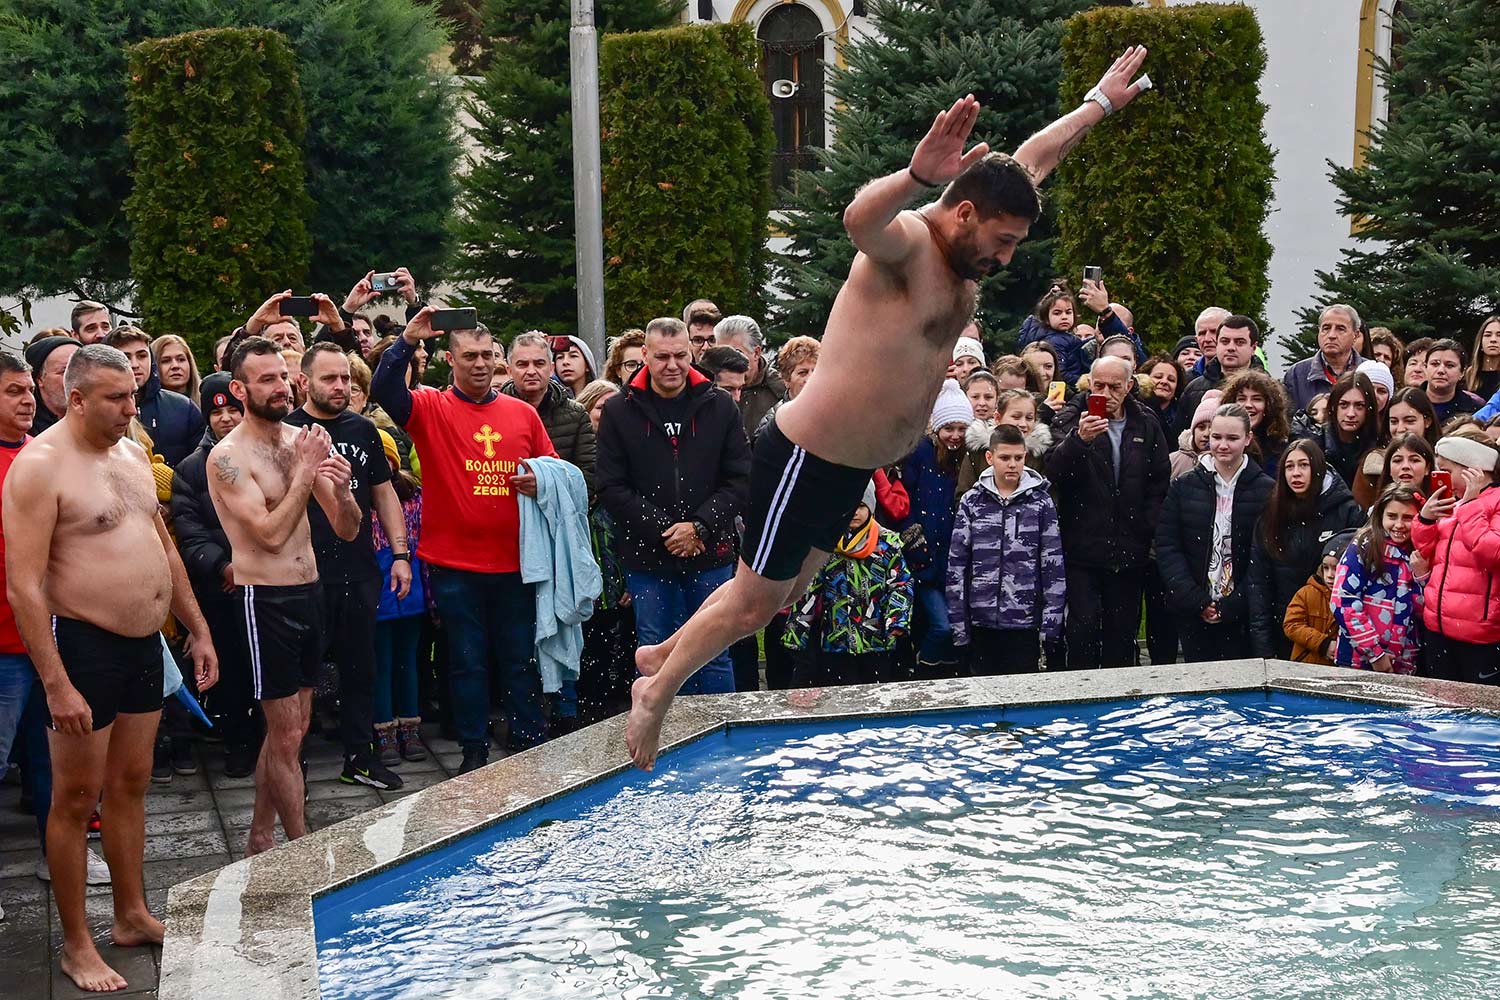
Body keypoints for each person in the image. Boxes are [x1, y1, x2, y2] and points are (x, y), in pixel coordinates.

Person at [625, 51, 1153, 768]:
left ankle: (666, 649)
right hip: (806, 457)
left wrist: (1099, 102)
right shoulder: (907, 247)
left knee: (785, 591)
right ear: (963, 212)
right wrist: (914, 177)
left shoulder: (971, 232)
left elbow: (1035, 156)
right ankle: (656, 691)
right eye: (1001, 242)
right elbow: (859, 218)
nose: (1004, 259)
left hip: (851, 468)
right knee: (754, 603)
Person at [4, 345, 218, 992]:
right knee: (75, 798)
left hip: (143, 644)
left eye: (132, 395)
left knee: (131, 783)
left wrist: (198, 628)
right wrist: (55, 682)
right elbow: (24, 587)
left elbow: (162, 547)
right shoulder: (40, 467)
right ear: (76, 400)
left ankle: (131, 915)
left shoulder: (129, 453)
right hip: (83, 647)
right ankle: (76, 944)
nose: (132, 407)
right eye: (116, 398)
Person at [371, 314, 558, 772]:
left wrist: (543, 481)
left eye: (487, 356)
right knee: (467, 662)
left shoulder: (523, 413)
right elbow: (384, 391)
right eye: (469, 356)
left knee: (519, 660)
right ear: (451, 360)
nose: (479, 364)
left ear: (497, 360)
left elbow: (555, 469)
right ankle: (473, 750)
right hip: (454, 566)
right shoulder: (431, 408)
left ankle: (529, 740)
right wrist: (407, 341)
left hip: (515, 563)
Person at [208, 337, 361, 851]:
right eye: (266, 379)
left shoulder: (301, 440)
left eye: (282, 376)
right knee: (287, 733)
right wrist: (305, 472)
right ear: (239, 389)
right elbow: (270, 536)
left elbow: (346, 529)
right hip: (264, 600)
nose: (280, 387)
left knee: (294, 729)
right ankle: (301, 848)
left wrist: (343, 491)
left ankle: (260, 834)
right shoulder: (228, 458)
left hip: (309, 592)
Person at [595, 318, 751, 696]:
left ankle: (718, 729)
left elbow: (741, 479)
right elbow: (611, 486)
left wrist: (699, 527)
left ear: (691, 354)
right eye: (662, 357)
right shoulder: (619, 410)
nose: (672, 365)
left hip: (709, 551)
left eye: (680, 355)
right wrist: (666, 530)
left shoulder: (720, 407)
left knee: (714, 653)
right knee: (656, 653)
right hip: (648, 555)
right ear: (645, 355)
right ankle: (664, 729)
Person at [283, 342, 408, 791]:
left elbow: (383, 493)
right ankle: (291, 768)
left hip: (358, 569)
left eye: (346, 379)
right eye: (329, 378)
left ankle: (359, 758)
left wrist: (400, 554)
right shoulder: (286, 432)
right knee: (301, 678)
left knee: (361, 669)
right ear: (304, 382)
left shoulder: (363, 429)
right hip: (302, 573)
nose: (340, 386)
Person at [1046, 354, 1170, 669]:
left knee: (1122, 632)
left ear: (1129, 386)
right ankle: (1081, 689)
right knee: (1082, 628)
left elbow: (1159, 482)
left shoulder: (1146, 422)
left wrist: (1144, 527)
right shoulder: (1070, 419)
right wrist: (1080, 440)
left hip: (1129, 548)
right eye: (1099, 386)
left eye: (1114, 387)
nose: (1105, 394)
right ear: (1089, 383)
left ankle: (1119, 692)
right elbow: (1054, 473)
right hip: (1082, 547)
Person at [170, 373, 258, 777]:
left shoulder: (267, 454)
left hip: (267, 582)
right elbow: (190, 532)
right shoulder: (191, 469)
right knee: (233, 669)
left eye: (233, 410)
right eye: (216, 412)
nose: (225, 418)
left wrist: (253, 564)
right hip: (222, 588)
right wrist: (223, 565)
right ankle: (239, 742)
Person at [1154, 404, 1275, 663]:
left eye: (1232, 438)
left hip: (1243, 613)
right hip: (1192, 610)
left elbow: (1265, 556)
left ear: (1247, 439)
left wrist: (1234, 604)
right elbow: (1168, 545)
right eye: (1216, 437)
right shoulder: (1184, 485)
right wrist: (1195, 600)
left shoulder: (1266, 490)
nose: (1222, 445)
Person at [946, 423, 1064, 674]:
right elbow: (957, 565)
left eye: (1018, 458)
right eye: (1005, 458)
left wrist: (1050, 626)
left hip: (1024, 621)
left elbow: (1052, 566)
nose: (1012, 464)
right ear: (990, 458)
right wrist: (958, 626)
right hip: (980, 620)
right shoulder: (972, 501)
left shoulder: (1041, 502)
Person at [782, 481, 912, 687]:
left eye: (861, 506)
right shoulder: (826, 544)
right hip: (837, 640)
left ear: (870, 507)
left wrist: (897, 619)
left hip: (876, 640)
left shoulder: (887, 543)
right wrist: (796, 632)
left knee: (876, 695)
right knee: (841, 696)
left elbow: (901, 584)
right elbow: (809, 589)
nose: (854, 512)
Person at [1246, 440, 1365, 658]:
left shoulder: (1346, 511)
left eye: (1303, 465)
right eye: (1289, 467)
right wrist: (1263, 646)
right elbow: (1259, 583)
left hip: (1333, 631)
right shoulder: (1272, 515)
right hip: (1285, 627)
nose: (1296, 473)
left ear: (1318, 468)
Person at [1412, 433, 1500, 683]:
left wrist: (1471, 506)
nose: (1439, 477)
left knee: (1479, 706)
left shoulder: (1494, 501)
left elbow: (1492, 553)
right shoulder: (1454, 502)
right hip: (1437, 628)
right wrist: (1426, 519)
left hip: (1480, 635)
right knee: (1439, 701)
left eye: (1446, 470)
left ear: (1474, 469)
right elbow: (1426, 552)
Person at [573, 380, 635, 723]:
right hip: (588, 565)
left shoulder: (631, 453)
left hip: (622, 569)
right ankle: (588, 712)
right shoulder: (579, 455)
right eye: (601, 407)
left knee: (625, 646)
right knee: (591, 649)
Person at [901, 381, 971, 671]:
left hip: (954, 558)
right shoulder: (921, 452)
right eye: (949, 428)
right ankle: (922, 668)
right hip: (925, 554)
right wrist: (913, 538)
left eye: (961, 429)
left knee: (954, 633)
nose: (955, 436)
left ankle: (941, 671)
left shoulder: (968, 458)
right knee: (941, 626)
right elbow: (904, 498)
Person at [371, 429, 427, 765]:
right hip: (376, 595)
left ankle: (410, 726)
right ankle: (384, 730)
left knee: (408, 660)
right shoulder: (357, 500)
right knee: (381, 663)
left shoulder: (413, 497)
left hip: (411, 592)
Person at [1332, 485, 1422, 674]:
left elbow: (1422, 610)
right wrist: (1375, 654)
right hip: (1357, 661)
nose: (1399, 525)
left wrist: (1422, 575)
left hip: (1402, 663)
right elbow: (1342, 601)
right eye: (1392, 516)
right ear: (1381, 515)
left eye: (1408, 518)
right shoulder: (1363, 547)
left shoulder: (1420, 552)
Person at [502, 332, 597, 496]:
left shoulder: (576, 415)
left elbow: (589, 477)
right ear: (509, 370)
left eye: (539, 363)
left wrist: (545, 486)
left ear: (552, 368)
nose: (531, 371)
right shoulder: (493, 413)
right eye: (522, 364)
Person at [102, 326, 206, 468]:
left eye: (142, 356)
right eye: (125, 357)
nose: (134, 364)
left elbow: (200, 469)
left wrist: (175, 479)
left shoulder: (184, 408)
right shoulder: (97, 410)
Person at [1177, 315, 1263, 438]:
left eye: (1239, 342)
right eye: (1225, 341)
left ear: (1253, 348)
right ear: (1217, 344)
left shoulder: (1270, 391)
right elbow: (1179, 438)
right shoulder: (1193, 390)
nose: (1231, 348)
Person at [713, 314, 787, 441]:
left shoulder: (781, 390)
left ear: (756, 353)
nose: (726, 361)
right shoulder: (708, 387)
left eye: (736, 353)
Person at [1283, 304, 1365, 412]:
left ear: (1356, 335)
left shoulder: (1368, 372)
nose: (1331, 335)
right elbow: (1287, 419)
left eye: (1340, 329)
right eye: (1326, 328)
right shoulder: (1296, 375)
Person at [1282, 535, 1346, 666]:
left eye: (1336, 568)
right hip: (1305, 666)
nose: (1330, 575)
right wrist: (1323, 644)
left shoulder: (1354, 600)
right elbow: (1291, 625)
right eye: (1326, 568)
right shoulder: (1306, 594)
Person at [1315, 373, 1381, 489]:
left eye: (1359, 406)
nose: (1351, 414)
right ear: (1334, 406)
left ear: (1369, 409)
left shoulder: (1380, 446)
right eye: (1344, 405)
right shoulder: (1317, 443)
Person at [1016, 281, 1088, 385]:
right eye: (1057, 313)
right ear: (1046, 319)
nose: (1064, 317)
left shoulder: (1063, 337)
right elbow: (1060, 373)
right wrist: (1082, 381)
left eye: (1068, 312)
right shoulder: (1056, 341)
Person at [1420, 338, 1484, 426]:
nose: (1441, 370)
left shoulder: (1475, 409)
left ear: (1462, 372)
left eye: (1449, 365)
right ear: (1425, 367)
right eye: (1435, 364)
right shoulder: (1407, 402)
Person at [24, 335, 78, 436]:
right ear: (40, 378)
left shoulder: (99, 422)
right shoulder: (24, 431)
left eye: (82, 370)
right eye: (65, 371)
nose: (77, 378)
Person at [1372, 433, 1435, 499]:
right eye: (1397, 460)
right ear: (1389, 468)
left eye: (1415, 460)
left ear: (1427, 468)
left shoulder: (1440, 503)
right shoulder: (1379, 505)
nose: (1405, 466)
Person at [1142, 353, 1185, 436]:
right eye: (1158, 377)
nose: (1164, 382)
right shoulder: (1133, 409)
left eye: (1171, 379)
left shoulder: (1182, 417)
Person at [151, 334, 201, 402]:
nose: (175, 366)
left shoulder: (207, 400)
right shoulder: (142, 406)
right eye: (166, 361)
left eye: (181, 359)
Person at [1464, 315, 1500, 401]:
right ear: (1480, 341)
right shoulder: (1469, 374)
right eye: (1488, 335)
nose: (1493, 340)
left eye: (1499, 335)